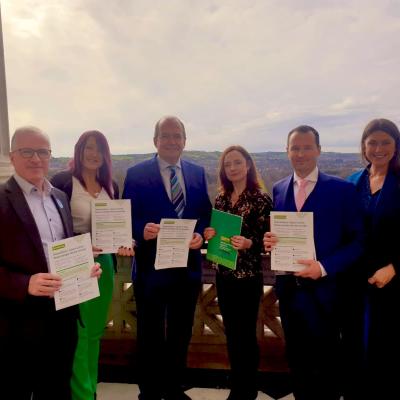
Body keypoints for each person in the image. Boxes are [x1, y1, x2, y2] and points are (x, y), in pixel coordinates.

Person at [263, 125, 364, 400]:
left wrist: (323, 267)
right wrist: (271, 241)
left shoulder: (342, 190)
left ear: (318, 150)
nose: (301, 153)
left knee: (327, 364)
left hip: (327, 294)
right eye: (295, 147)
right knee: (298, 363)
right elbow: (280, 233)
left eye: (307, 147)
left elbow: (358, 242)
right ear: (286, 151)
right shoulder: (279, 188)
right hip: (290, 293)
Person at [0, 126, 101, 400]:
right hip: (20, 321)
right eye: (27, 151)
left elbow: (62, 248)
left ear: (50, 155)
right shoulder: (1, 199)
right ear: (12, 156)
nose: (36, 159)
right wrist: (24, 283)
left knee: (57, 389)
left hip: (64, 316)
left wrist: (84, 265)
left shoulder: (59, 197)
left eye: (42, 152)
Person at [123, 116, 212, 400]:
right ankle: (148, 391)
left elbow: (204, 214)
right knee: (148, 333)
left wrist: (201, 235)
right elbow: (126, 219)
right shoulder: (136, 173)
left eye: (177, 136)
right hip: (152, 269)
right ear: (155, 141)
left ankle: (173, 387)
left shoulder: (197, 172)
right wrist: (141, 230)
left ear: (185, 141)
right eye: (166, 136)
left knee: (180, 332)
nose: (172, 141)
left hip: (187, 268)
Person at [51, 130, 134, 400]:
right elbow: (52, 227)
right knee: (79, 333)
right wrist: (81, 243)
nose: (94, 154)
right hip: (75, 263)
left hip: (105, 264)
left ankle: (91, 388)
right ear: (79, 150)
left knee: (96, 332)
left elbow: (118, 227)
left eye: (99, 149)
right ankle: (81, 394)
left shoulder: (110, 186)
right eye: (89, 147)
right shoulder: (63, 182)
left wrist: (126, 241)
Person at [203, 145, 272, 400]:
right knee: (231, 333)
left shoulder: (261, 199)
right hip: (224, 275)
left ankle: (248, 388)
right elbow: (215, 234)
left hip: (248, 277)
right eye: (227, 164)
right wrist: (210, 234)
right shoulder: (221, 198)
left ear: (248, 165)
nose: (232, 168)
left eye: (237, 163)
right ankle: (237, 386)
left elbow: (268, 239)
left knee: (246, 334)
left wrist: (249, 243)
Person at [347, 118, 400, 400]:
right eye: (373, 142)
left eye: (386, 142)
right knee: (355, 345)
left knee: (387, 348)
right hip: (354, 280)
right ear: (364, 146)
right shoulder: (352, 183)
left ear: (396, 146)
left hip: (391, 282)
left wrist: (394, 267)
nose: (379, 148)